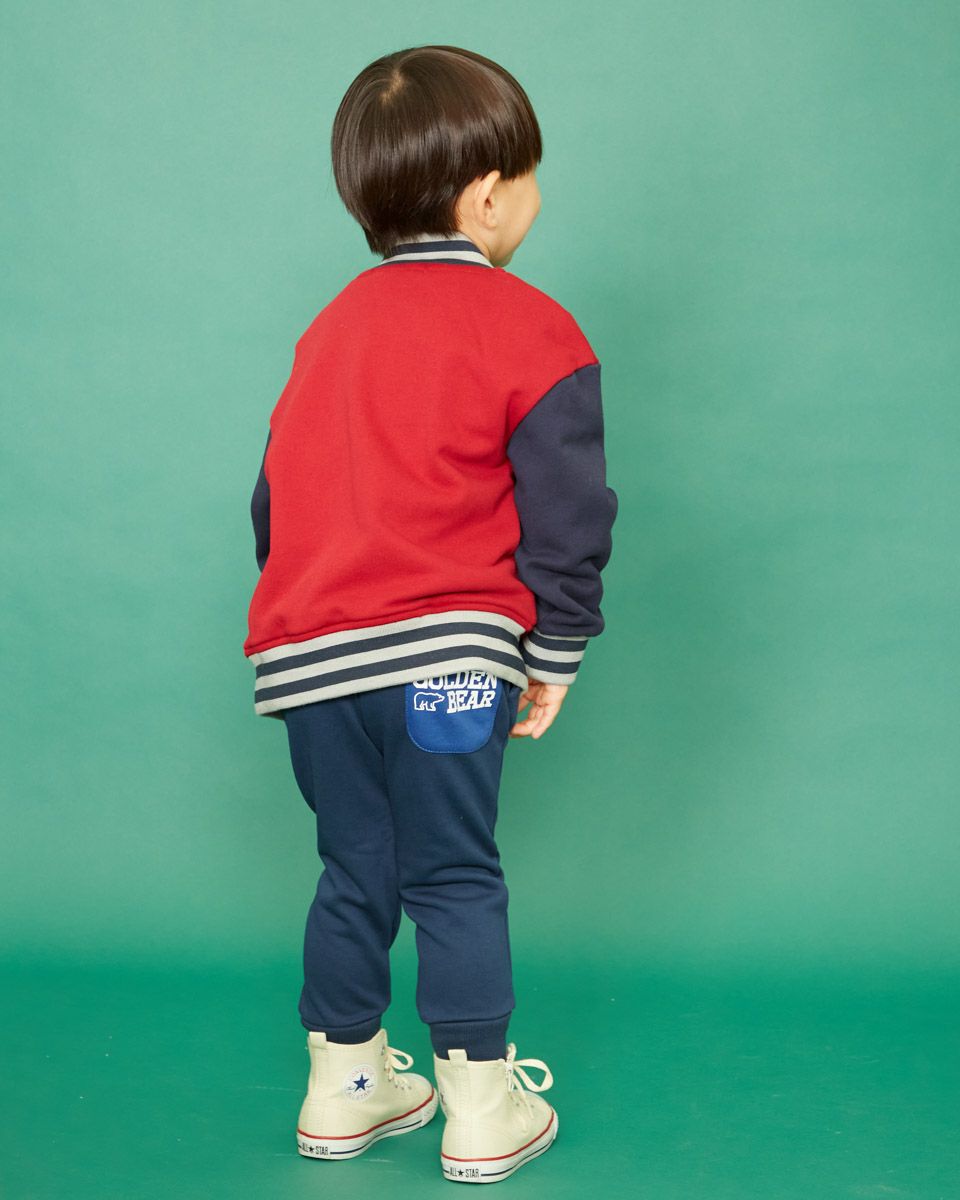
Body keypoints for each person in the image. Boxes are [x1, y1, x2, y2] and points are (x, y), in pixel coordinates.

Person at [242, 44, 618, 1184]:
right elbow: (569, 509)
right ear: (490, 195)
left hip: (311, 659)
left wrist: (312, 622)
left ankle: (343, 1089)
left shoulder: (329, 330)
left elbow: (273, 499)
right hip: (449, 660)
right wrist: (554, 648)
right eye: (532, 174)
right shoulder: (534, 328)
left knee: (354, 868)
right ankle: (480, 1106)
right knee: (452, 872)